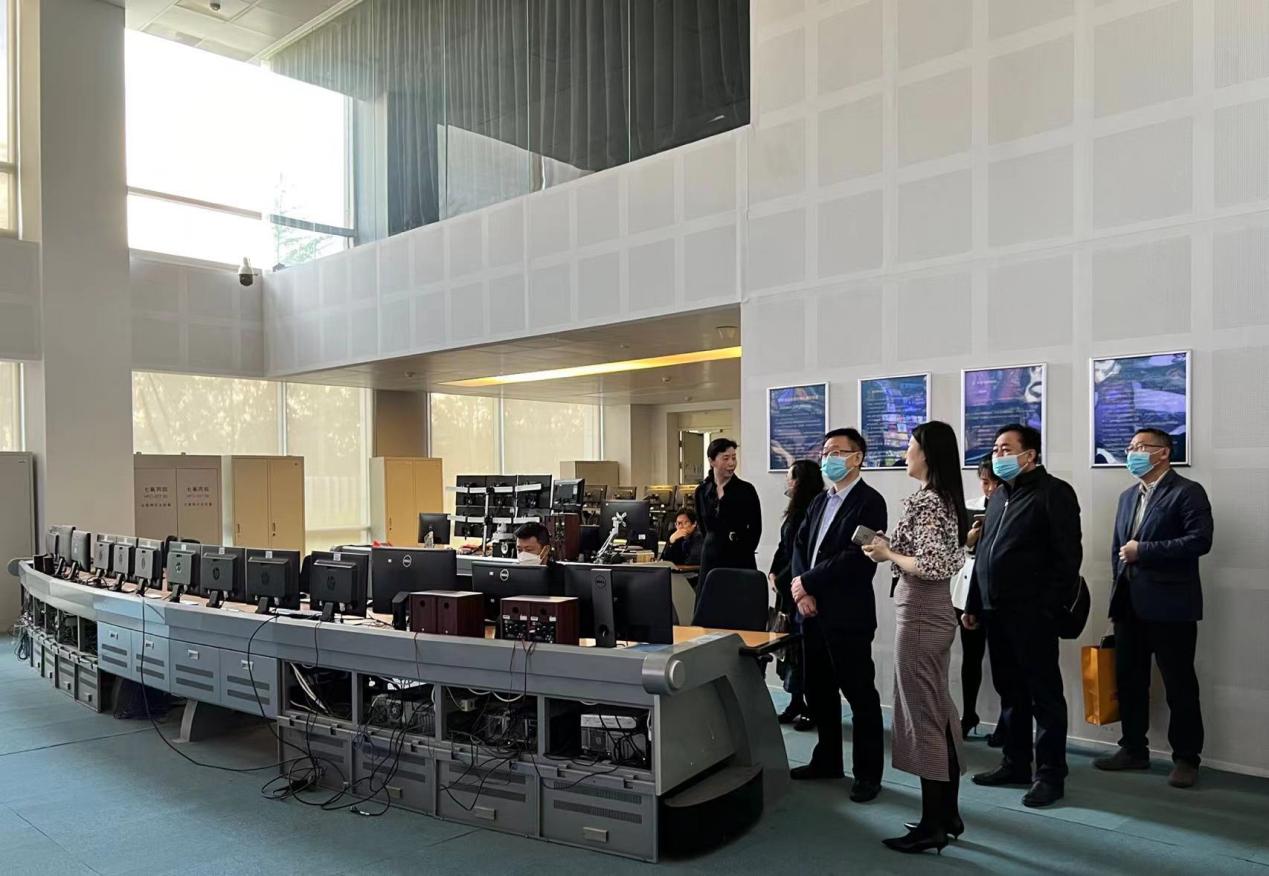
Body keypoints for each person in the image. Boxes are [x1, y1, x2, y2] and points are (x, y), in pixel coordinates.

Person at [862, 421, 969, 853]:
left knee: (923, 715)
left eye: (910, 446)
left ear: (927, 453)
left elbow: (930, 565)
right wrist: (891, 548)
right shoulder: (944, 498)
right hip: (933, 610)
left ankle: (933, 825)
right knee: (938, 710)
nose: (905, 453)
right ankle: (947, 815)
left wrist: (887, 552)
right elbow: (936, 556)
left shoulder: (929, 501)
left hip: (922, 612)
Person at [964, 424, 1082, 808]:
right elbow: (984, 555)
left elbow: (1067, 559)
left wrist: (1048, 608)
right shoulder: (998, 495)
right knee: (1010, 692)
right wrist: (973, 604)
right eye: (996, 449)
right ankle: (1015, 763)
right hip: (994, 612)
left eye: (1006, 449)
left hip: (1033, 614)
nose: (998, 455)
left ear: (1029, 455)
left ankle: (1050, 774)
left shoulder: (1054, 493)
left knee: (1044, 696)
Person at [1094, 428, 1213, 788]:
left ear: (1163, 453)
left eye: (1140, 447)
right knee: (1129, 680)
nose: (1132, 453)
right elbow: (1117, 551)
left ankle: (1187, 758)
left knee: (1179, 683)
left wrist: (1144, 551)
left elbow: (1199, 541)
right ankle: (1133, 749)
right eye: (1130, 446)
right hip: (1129, 604)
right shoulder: (1128, 496)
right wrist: (1115, 598)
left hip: (1171, 606)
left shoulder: (1187, 492)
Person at [788, 428, 887, 803]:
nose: (827, 458)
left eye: (836, 452)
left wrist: (808, 582)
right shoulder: (819, 501)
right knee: (818, 692)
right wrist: (801, 589)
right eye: (825, 452)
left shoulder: (870, 502)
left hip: (847, 615)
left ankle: (868, 774)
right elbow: (800, 546)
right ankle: (827, 760)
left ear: (857, 457)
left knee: (860, 695)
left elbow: (857, 558)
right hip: (810, 612)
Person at [769, 458, 823, 729]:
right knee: (790, 651)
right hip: (786, 587)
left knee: (805, 652)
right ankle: (795, 701)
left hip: (801, 587)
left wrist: (782, 579)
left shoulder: (813, 511)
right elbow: (783, 547)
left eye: (789, 477)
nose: (786, 481)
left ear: (800, 481)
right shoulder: (793, 511)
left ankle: (813, 706)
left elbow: (802, 556)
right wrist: (772, 572)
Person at [961, 460, 1006, 745]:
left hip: (1000, 594)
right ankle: (968, 714)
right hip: (970, 592)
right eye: (985, 482)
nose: (989, 489)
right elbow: (958, 553)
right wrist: (969, 540)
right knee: (971, 657)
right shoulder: (970, 507)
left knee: (1004, 662)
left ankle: (1005, 721)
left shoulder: (1012, 506)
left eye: (994, 483)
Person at [694, 438, 762, 608]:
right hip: (710, 557)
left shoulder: (746, 490)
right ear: (712, 461)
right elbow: (703, 526)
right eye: (726, 458)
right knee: (709, 609)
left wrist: (742, 549)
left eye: (734, 457)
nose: (731, 463)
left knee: (738, 608)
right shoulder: (702, 491)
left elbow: (755, 528)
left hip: (739, 558)